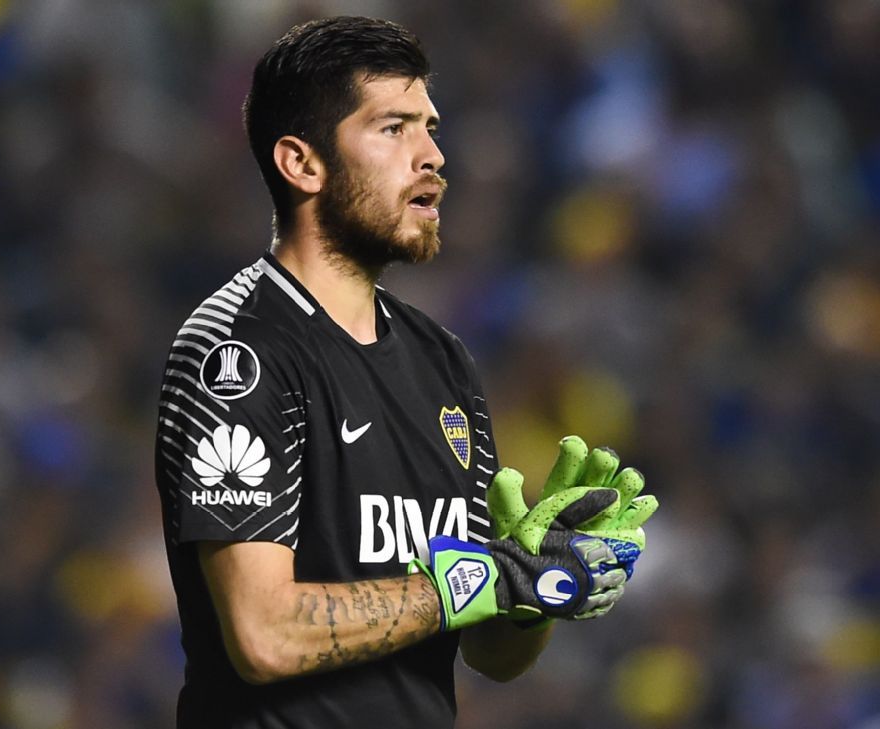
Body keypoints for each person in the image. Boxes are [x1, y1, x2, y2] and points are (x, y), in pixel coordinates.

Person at [153, 16, 646, 728]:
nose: (433, 156)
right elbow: (263, 633)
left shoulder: (444, 362)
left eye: (430, 127)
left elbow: (490, 654)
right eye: (393, 129)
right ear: (303, 164)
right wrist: (479, 579)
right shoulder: (239, 351)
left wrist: (535, 583)